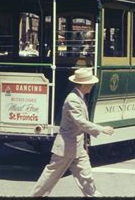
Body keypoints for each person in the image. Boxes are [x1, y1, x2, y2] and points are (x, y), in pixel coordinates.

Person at [30, 68, 115, 197]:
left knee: (86, 176)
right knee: (50, 176)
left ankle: (93, 195)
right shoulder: (73, 99)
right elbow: (80, 122)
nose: (92, 85)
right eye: (90, 83)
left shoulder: (80, 97)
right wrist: (101, 129)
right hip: (66, 146)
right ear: (83, 84)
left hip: (78, 145)